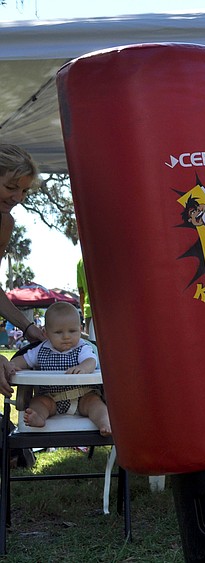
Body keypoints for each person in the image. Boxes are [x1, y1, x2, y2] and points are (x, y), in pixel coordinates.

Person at [8, 302, 111, 436]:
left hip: (82, 395)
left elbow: (91, 360)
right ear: (46, 333)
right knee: (38, 403)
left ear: (80, 329)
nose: (66, 336)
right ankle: (38, 416)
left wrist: (84, 368)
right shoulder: (41, 349)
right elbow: (25, 360)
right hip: (51, 398)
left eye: (72, 331)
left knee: (95, 404)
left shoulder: (82, 347)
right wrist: (12, 364)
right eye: (58, 332)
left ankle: (105, 422)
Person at [0, 144, 47, 397]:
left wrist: (29, 330)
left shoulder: (4, 223)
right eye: (10, 187)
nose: (18, 198)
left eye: (24, 190)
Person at [76, 257, 96, 340]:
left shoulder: (80, 262)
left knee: (93, 346)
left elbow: (81, 293)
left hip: (89, 309)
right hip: (112, 309)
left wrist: (84, 315)